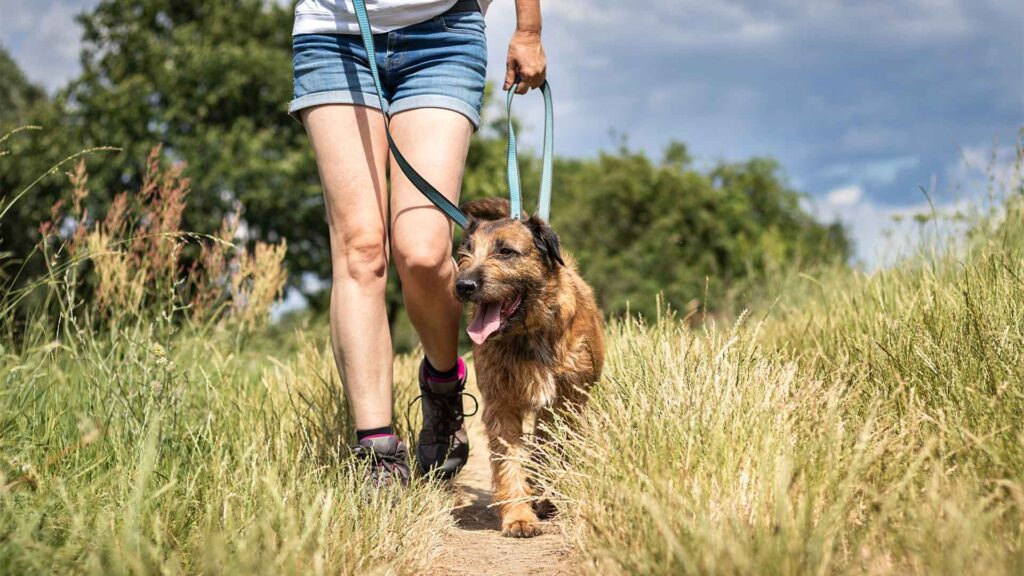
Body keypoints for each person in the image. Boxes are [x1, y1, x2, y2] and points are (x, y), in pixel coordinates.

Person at [289, 0, 547, 487]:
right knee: (361, 250)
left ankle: (443, 386)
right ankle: (377, 450)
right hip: (333, 36)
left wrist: (528, 28)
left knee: (425, 253)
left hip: (442, 36)